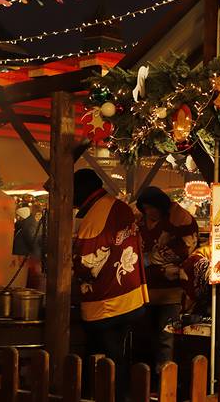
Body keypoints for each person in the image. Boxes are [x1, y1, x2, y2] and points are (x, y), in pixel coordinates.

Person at [72, 169, 149, 399]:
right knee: (116, 355)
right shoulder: (118, 206)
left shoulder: (97, 216)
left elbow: (87, 265)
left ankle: (114, 396)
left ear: (82, 190)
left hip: (107, 303)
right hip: (131, 294)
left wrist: (70, 259)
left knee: (107, 356)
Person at [136, 186, 198, 380]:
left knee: (166, 338)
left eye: (152, 207)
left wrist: (151, 259)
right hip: (144, 292)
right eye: (145, 208)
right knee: (144, 338)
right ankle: (147, 383)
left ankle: (166, 383)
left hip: (170, 293)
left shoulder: (180, 219)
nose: (149, 212)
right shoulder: (140, 221)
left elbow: (186, 248)